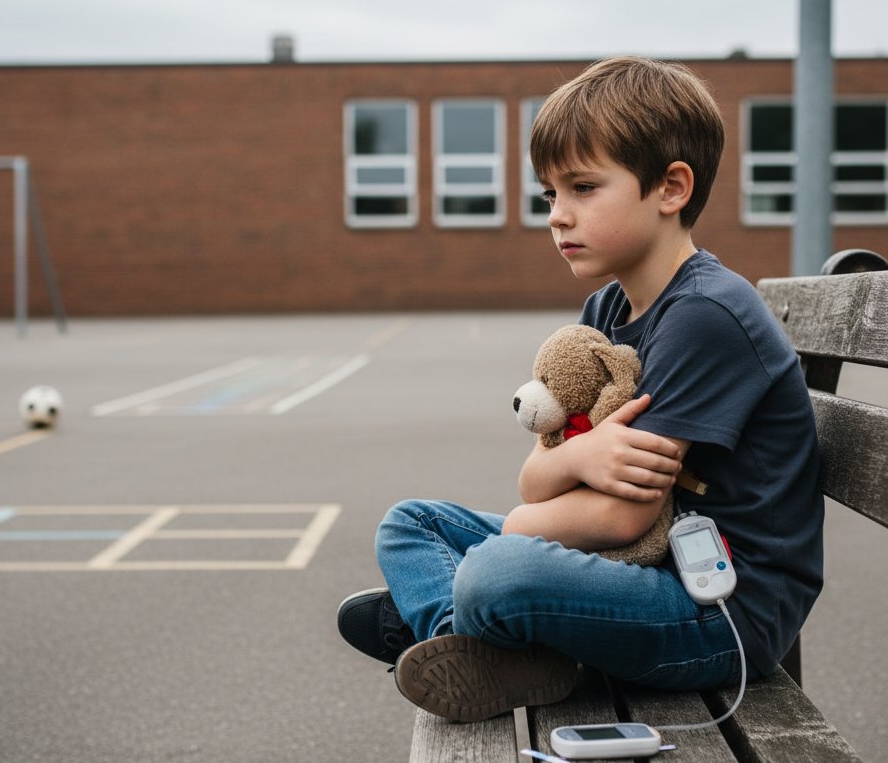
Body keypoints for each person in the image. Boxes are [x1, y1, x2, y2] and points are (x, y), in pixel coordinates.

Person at [337, 56, 824, 723]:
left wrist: (515, 531)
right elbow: (542, 480)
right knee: (410, 523)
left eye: (583, 188)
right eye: (549, 195)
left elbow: (619, 516)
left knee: (496, 572)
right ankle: (478, 638)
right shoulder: (605, 315)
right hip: (638, 568)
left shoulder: (706, 316)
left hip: (717, 610)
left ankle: (466, 627)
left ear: (671, 188)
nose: (557, 217)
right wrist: (572, 461)